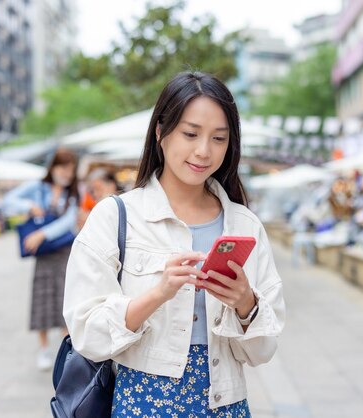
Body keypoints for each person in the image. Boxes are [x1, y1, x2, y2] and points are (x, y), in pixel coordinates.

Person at [64, 72, 285, 416]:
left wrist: (246, 303)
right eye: (190, 134)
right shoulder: (116, 216)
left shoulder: (245, 224)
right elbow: (86, 334)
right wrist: (157, 293)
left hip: (224, 405)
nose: (203, 151)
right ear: (160, 133)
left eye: (219, 138)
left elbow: (263, 351)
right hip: (142, 403)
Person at [4, 148, 80, 370]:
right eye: (63, 167)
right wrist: (29, 206)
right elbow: (9, 200)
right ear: (53, 167)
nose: (67, 173)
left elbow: (69, 222)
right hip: (44, 254)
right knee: (42, 298)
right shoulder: (38, 188)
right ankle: (44, 349)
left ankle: (64, 350)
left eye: (70, 169)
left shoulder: (73, 193)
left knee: (66, 298)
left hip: (65, 251)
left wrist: (42, 234)